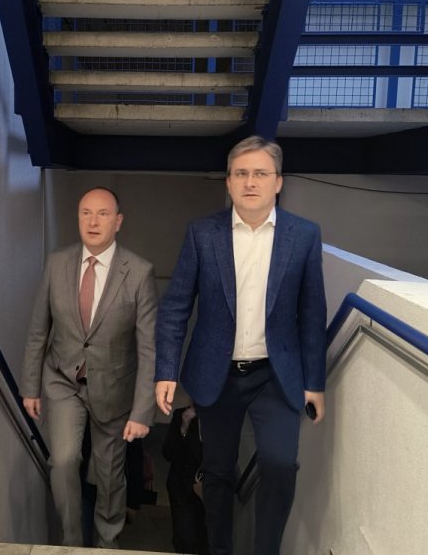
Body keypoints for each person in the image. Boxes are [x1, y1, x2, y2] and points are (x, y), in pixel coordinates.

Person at [154, 136, 327, 555]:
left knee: (279, 464)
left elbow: (312, 313)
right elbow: (176, 306)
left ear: (278, 182)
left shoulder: (303, 236)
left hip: (275, 375)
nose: (251, 182)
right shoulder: (202, 234)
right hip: (218, 374)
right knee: (217, 471)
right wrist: (166, 370)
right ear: (229, 182)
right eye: (241, 173)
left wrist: (315, 383)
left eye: (260, 173)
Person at [20, 186, 158, 548]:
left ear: (118, 222)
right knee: (64, 461)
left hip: (114, 387)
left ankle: (106, 543)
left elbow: (148, 348)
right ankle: (71, 542)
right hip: (63, 380)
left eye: (102, 214)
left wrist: (142, 411)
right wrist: (30, 387)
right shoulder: (57, 264)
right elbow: (38, 330)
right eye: (85, 213)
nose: (93, 221)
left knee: (109, 473)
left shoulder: (139, 272)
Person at [162, 404, 209, 555]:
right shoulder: (181, 415)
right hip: (183, 486)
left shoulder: (222, 416)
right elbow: (168, 453)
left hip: (211, 488)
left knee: (209, 540)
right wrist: (184, 427)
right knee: (185, 540)